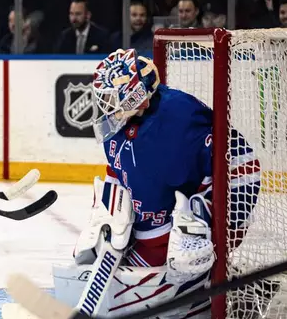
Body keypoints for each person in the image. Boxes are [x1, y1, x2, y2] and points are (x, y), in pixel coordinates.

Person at [53, 49, 262, 317]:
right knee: (89, 267)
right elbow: (119, 170)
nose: (105, 106)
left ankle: (227, 294)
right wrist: (109, 211)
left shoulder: (179, 117)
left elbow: (242, 161)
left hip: (179, 235)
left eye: (111, 98)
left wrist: (204, 221)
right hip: (147, 235)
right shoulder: (118, 127)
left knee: (179, 277)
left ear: (135, 96)